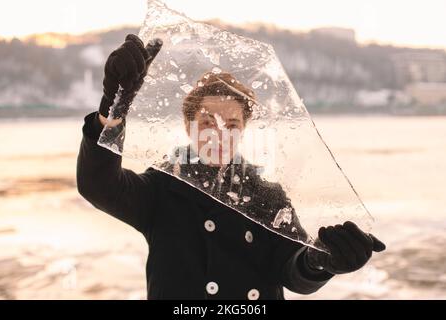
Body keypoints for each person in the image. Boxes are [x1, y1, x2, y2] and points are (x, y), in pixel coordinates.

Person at [77, 34, 386, 300]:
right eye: (208, 121)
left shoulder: (267, 195)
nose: (218, 133)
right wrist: (113, 110)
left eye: (232, 123)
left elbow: (293, 270)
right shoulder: (162, 188)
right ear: (188, 126)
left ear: (244, 129)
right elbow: (99, 186)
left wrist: (320, 261)